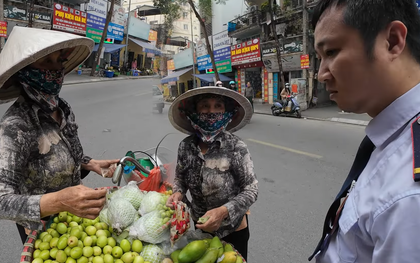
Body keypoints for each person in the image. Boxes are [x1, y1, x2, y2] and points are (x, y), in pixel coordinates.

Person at [308, 0, 420, 262]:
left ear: (392, 41)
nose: (321, 74)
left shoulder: (409, 195)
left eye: (332, 52)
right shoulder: (390, 137)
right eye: (320, 58)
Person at [0, 27, 119, 244]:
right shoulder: (15, 126)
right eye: (47, 62)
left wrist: (89, 163)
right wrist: (58, 202)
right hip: (41, 231)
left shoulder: (62, 109)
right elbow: (2, 200)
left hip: (76, 221)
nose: (56, 70)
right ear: (25, 70)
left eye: (59, 62)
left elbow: (59, 154)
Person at [166, 87, 258, 260]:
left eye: (218, 106)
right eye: (204, 106)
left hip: (233, 229)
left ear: (225, 111)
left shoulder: (236, 147)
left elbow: (251, 189)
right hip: (201, 228)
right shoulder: (185, 147)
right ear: (195, 110)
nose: (211, 111)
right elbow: (180, 178)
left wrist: (223, 212)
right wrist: (178, 192)